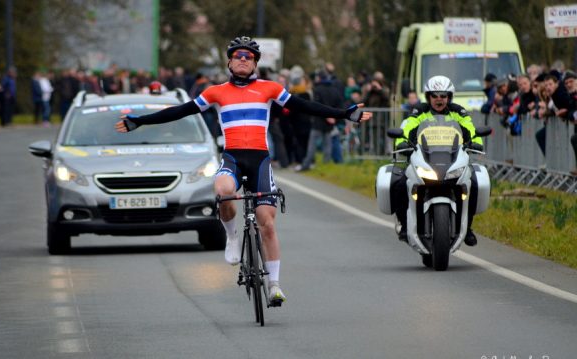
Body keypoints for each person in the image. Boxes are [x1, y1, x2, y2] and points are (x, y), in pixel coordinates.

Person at [115, 36, 372, 305]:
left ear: (255, 63)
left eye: (248, 56)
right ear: (229, 61)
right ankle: (232, 236)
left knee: (267, 224)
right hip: (233, 158)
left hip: (260, 160)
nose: (242, 59)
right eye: (237, 55)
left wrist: (344, 114)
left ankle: (273, 284)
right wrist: (140, 122)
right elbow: (181, 111)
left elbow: (304, 106)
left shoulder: (270, 89)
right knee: (224, 191)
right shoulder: (216, 92)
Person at [393, 75, 482, 246]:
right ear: (428, 97)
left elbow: (470, 128)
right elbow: (407, 127)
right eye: (434, 95)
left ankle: (468, 227)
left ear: (449, 97)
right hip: (425, 158)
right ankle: (404, 225)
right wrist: (401, 142)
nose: (439, 99)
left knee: (474, 183)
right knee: (400, 183)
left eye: (443, 95)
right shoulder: (419, 111)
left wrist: (476, 142)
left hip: (453, 158)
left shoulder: (458, 112)